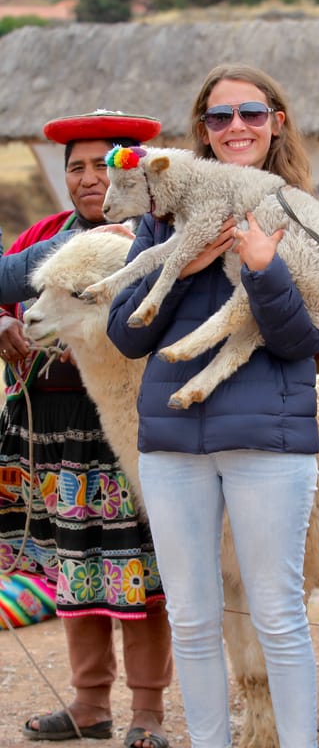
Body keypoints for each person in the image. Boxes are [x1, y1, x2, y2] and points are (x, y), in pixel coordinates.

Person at [107, 64, 319, 748]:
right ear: (201, 130)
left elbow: (305, 340)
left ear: (276, 123)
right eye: (220, 116)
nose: (237, 127)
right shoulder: (160, 216)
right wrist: (191, 265)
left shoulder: (297, 212)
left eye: (252, 114)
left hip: (269, 441)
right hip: (173, 444)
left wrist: (263, 271)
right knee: (194, 618)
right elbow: (126, 332)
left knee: (277, 614)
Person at [0, 110, 173, 748]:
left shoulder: (154, 240)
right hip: (52, 425)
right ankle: (88, 703)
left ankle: (147, 713)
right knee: (75, 566)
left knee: (144, 572)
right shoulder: (47, 236)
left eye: (103, 164)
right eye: (76, 166)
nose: (89, 177)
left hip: (129, 423)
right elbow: (8, 292)